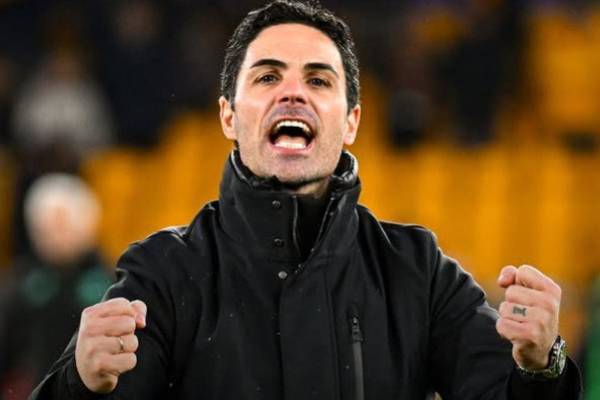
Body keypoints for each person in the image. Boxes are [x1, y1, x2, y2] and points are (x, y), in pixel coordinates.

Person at [30, 1, 582, 399]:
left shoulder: (419, 272)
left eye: (318, 81)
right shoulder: (162, 274)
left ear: (351, 122)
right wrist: (79, 384)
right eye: (268, 77)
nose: (292, 92)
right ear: (228, 116)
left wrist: (542, 369)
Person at [0, 173, 112, 399]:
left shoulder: (111, 283)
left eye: (62, 226)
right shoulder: (19, 283)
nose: (54, 237)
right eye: (44, 228)